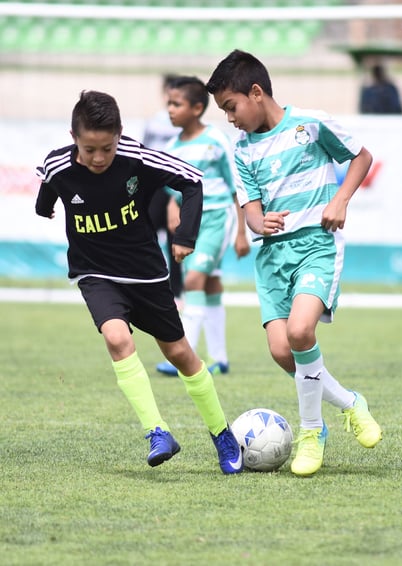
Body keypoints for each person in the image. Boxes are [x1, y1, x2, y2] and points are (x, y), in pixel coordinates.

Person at [35, 90, 243, 475]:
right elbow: (50, 186)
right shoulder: (57, 165)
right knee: (117, 338)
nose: (98, 158)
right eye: (89, 149)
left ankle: (221, 434)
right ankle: (157, 431)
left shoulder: (138, 158)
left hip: (146, 273)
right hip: (95, 272)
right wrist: (44, 206)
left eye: (107, 149)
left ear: (120, 136)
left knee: (180, 354)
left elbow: (193, 181)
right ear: (72, 137)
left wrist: (185, 236)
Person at [206, 50, 382, 477]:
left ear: (255, 92)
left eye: (231, 107)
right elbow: (249, 210)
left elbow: (362, 157)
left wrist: (340, 200)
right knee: (283, 350)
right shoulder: (242, 150)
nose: (229, 118)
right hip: (272, 259)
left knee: (301, 332)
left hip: (315, 246)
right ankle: (349, 402)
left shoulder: (311, 124)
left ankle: (311, 431)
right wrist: (256, 221)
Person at [155, 76, 250, 377]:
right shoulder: (171, 146)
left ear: (197, 108)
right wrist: (172, 206)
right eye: (168, 103)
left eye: (176, 104)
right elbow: (173, 189)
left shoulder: (216, 139)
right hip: (191, 224)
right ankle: (219, 358)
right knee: (209, 285)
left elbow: (237, 185)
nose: (170, 109)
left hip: (218, 217)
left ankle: (185, 357)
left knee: (193, 280)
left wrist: (241, 231)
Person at [143, 74, 184, 301]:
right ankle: (148, 284)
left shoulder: (183, 123)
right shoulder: (154, 122)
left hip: (174, 188)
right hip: (154, 188)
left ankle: (176, 293)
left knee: (174, 240)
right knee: (146, 235)